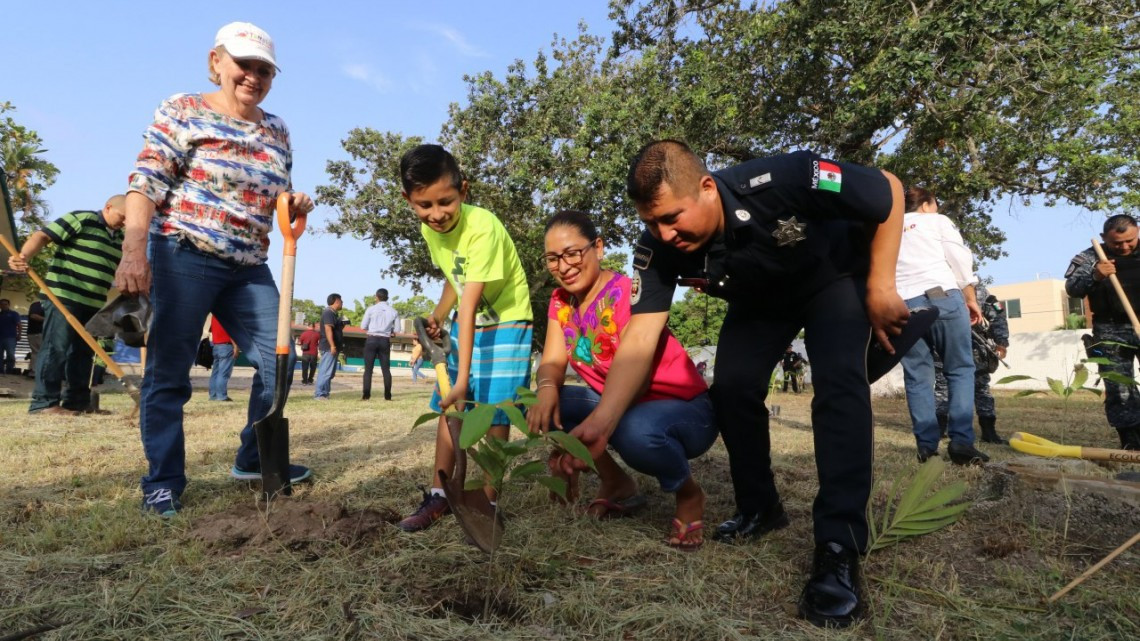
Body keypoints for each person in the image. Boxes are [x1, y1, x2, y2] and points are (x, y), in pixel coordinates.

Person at [609, 140, 909, 627]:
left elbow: (888, 189)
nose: (662, 234)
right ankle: (760, 507)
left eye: (672, 217)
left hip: (832, 279)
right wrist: (604, 420)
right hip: (761, 301)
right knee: (731, 388)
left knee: (837, 386)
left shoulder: (789, 176)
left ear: (708, 188)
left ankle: (838, 545)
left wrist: (881, 284)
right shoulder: (657, 248)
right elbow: (640, 335)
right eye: (650, 222)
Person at [114, 22, 315, 516]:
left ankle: (252, 457)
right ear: (216, 63)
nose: (253, 76)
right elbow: (146, 182)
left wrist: (293, 203)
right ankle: (163, 481)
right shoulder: (183, 109)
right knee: (169, 374)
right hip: (183, 252)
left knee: (278, 363)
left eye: (264, 69)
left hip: (248, 266)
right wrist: (133, 251)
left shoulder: (279, 129)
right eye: (243, 64)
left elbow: (272, 196)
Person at [531, 211, 717, 548]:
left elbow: (640, 377)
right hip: (616, 405)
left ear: (598, 248)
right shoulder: (560, 302)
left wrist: (600, 423)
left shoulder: (629, 293)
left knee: (636, 430)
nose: (564, 265)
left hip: (683, 410)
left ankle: (689, 494)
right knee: (540, 403)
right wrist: (545, 389)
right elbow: (553, 361)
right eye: (553, 258)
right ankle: (617, 484)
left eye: (573, 253)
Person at [395, 144, 533, 533]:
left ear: (464, 191)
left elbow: (470, 307)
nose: (436, 214)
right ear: (408, 200)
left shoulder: (483, 227)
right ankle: (440, 493)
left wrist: (461, 380)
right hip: (469, 320)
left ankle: (487, 499)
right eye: (424, 205)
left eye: (445, 202)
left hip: (506, 320)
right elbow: (455, 280)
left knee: (495, 407)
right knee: (448, 406)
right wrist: (438, 316)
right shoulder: (429, 230)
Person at [895, 187, 989, 465]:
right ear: (926, 204)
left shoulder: (886, 227)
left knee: (917, 376)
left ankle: (926, 446)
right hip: (941, 295)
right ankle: (961, 442)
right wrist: (971, 298)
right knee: (960, 369)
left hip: (902, 303)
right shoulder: (937, 221)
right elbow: (959, 260)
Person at [8, 197, 126, 414]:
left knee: (82, 354)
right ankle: (44, 404)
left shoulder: (120, 237)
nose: (125, 222)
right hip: (64, 295)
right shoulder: (82, 218)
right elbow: (42, 236)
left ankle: (77, 402)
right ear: (108, 208)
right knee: (56, 349)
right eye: (123, 216)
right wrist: (24, 256)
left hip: (93, 303)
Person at [1065, 214, 1140, 450]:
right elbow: (1073, 289)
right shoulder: (1090, 257)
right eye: (1117, 243)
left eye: (1130, 240)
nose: (1125, 246)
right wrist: (1096, 275)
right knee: (1119, 387)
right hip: (1110, 329)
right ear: (1104, 238)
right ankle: (1131, 440)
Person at [934, 280, 1010, 443]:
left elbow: (998, 315)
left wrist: (1001, 343)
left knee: (981, 387)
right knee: (943, 387)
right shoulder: (939, 284)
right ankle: (939, 430)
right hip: (946, 343)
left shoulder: (982, 292)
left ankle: (989, 432)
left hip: (975, 346)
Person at [360, 288, 399, 401]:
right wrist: (388, 330)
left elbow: (363, 326)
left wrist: (372, 328)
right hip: (384, 340)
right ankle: (388, 395)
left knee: (368, 369)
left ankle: (366, 395)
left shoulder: (371, 309)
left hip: (371, 339)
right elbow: (397, 329)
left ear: (376, 297)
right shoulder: (393, 311)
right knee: (386, 369)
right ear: (387, 297)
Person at [313, 294, 343, 400]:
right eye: (341, 300)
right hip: (328, 347)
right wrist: (332, 346)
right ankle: (320, 394)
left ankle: (325, 393)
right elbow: (328, 329)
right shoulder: (328, 312)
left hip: (332, 347)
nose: (342, 302)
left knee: (329, 372)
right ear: (336, 301)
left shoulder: (334, 314)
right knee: (325, 371)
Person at [208, 316, 236, 401]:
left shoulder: (214, 316)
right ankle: (221, 396)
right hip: (226, 345)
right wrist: (236, 347)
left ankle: (213, 395)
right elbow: (230, 332)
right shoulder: (227, 316)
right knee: (223, 373)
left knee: (215, 373)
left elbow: (211, 330)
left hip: (216, 345)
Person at [0, 299, 21, 374]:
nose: (4, 306)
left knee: (11, 354)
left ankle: (9, 370)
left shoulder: (14, 314)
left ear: (9, 305)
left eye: (5, 304)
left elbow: (19, 325)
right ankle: (1, 370)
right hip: (0, 337)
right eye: (2, 304)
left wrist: (19, 334)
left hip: (11, 337)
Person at [25, 300, 44, 378]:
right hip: (37, 332)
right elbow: (33, 315)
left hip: (37, 332)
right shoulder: (38, 305)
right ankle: (35, 371)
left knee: (37, 352)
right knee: (39, 352)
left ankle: (34, 371)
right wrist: (48, 320)